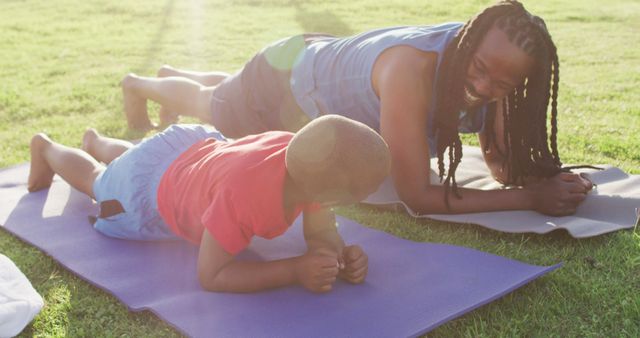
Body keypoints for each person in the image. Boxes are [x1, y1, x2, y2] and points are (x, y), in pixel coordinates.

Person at [121, 0, 592, 217]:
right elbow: (416, 195)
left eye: (502, 84)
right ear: (468, 44)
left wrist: (543, 179)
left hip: (321, 62)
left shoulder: (493, 75)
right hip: (283, 81)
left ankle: (173, 74)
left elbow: (500, 166)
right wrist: (530, 200)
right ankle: (141, 84)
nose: (483, 86)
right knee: (214, 106)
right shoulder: (412, 71)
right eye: (480, 69)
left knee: (224, 90)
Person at [27, 115, 391, 293]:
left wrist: (336, 254)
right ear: (326, 194)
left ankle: (96, 140)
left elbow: (322, 229)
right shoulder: (243, 196)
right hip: (150, 193)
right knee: (99, 182)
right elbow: (212, 275)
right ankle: (47, 147)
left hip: (186, 150)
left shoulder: (305, 158)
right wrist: (295, 270)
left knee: (138, 159)